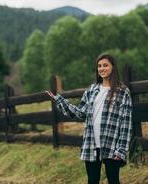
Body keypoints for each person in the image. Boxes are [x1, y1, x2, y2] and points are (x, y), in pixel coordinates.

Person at [45, 53, 132, 184]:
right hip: (92, 143)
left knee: (113, 180)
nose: (102, 69)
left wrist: (121, 149)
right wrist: (59, 100)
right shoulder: (92, 90)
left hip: (112, 143)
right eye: (99, 66)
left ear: (113, 67)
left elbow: (126, 122)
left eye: (105, 65)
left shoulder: (122, 91)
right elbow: (79, 113)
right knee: (92, 180)